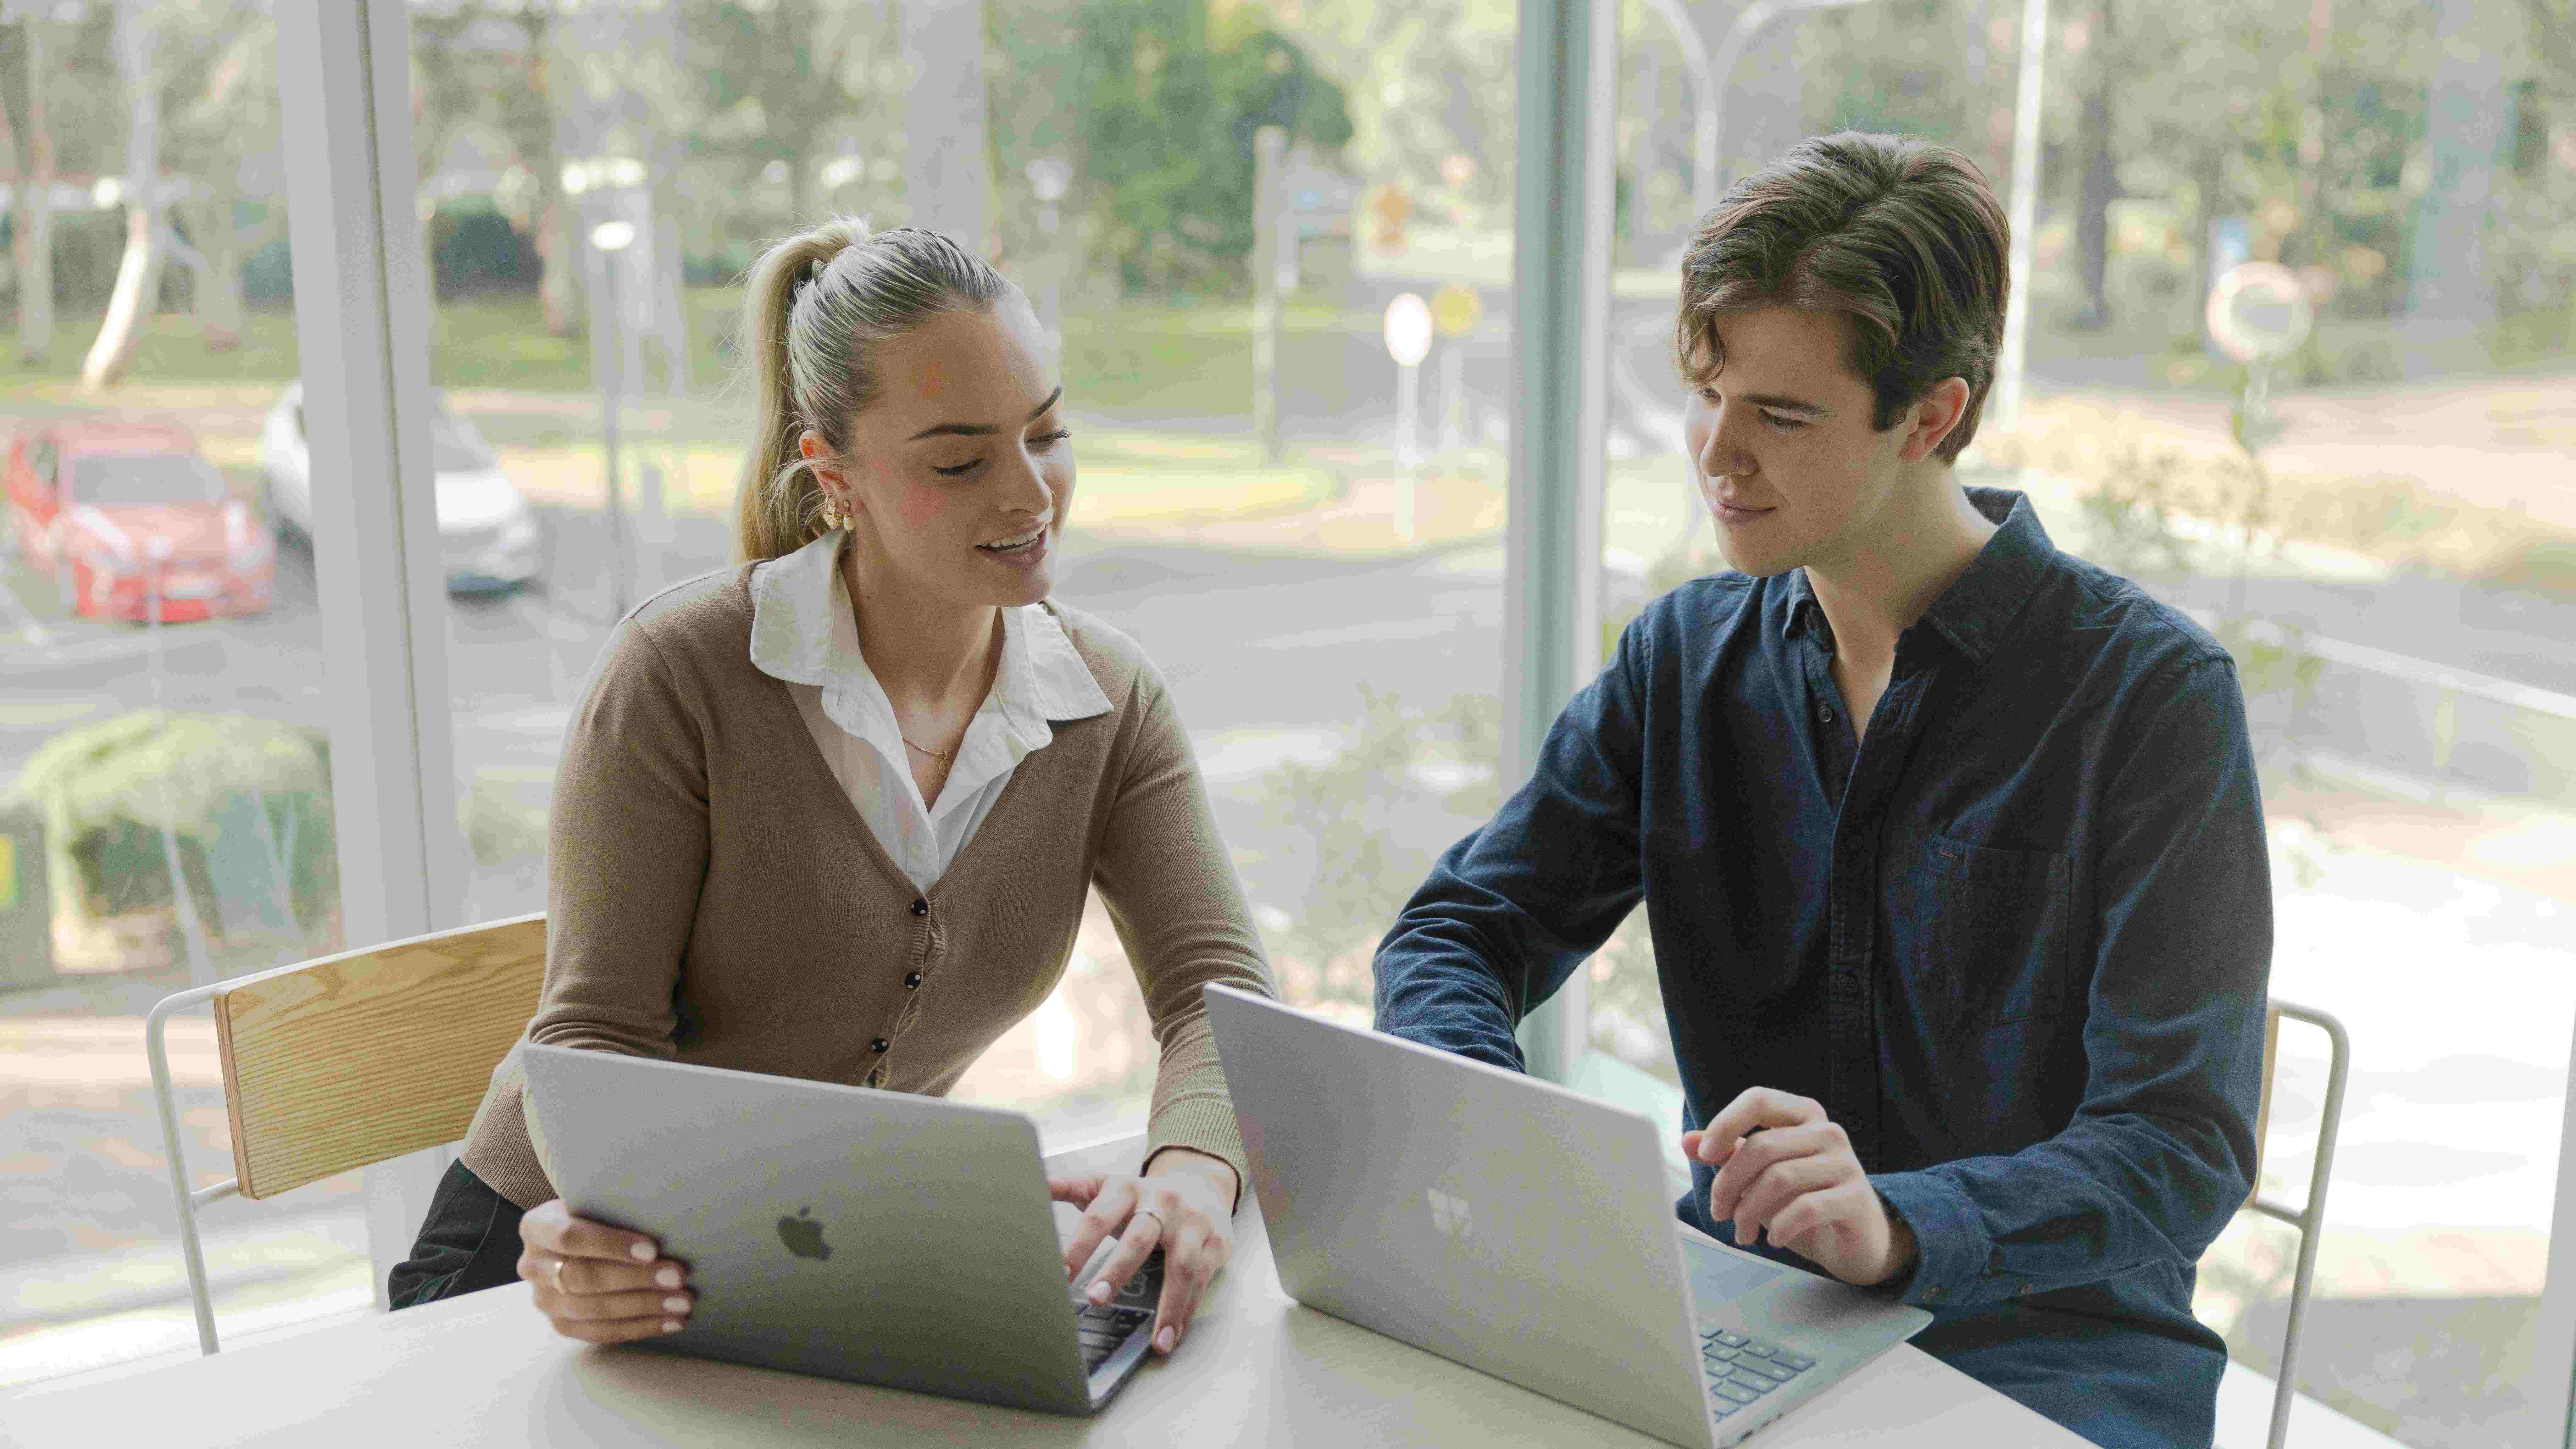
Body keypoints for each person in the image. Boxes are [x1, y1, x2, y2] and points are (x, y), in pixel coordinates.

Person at [1372, 133, 2270, 1449]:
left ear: (1930, 416)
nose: (1715, 456)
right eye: (1707, 395)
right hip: (1736, 1316)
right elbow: (1458, 931)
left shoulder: (2147, 699)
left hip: (2048, 1358)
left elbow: (2179, 1140)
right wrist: (1494, 1137)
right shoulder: (1682, 662)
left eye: (1780, 417)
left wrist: (1900, 1223)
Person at [388, 222, 1275, 1362]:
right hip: (566, 1253)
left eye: (1047, 433)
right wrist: (593, 1239)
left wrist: (1194, 1170)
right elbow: (595, 1036)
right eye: (960, 462)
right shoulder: (680, 674)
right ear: (834, 475)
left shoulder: (1106, 702)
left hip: (822, 1256)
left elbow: (1218, 996)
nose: (1029, 491)